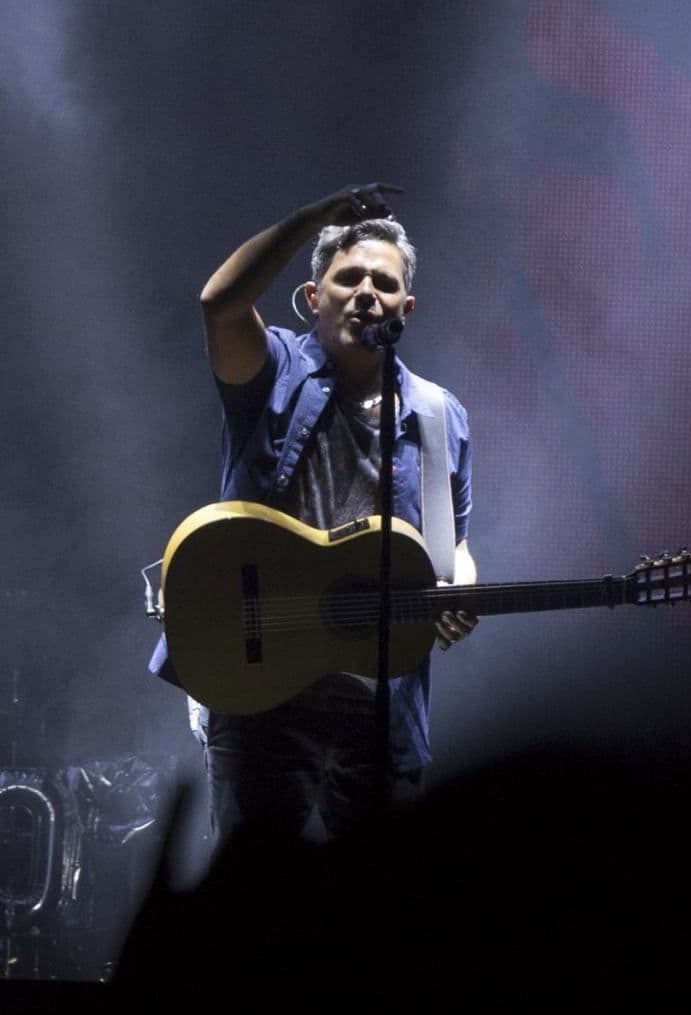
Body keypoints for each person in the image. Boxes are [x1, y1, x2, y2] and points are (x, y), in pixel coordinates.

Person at [150, 183, 477, 844]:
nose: (366, 293)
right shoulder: (271, 373)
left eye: (383, 284)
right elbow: (220, 301)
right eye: (347, 277)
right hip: (263, 691)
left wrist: (460, 585)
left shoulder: (441, 415)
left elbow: (454, 543)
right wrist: (314, 218)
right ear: (312, 298)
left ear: (406, 307)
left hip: (381, 707)